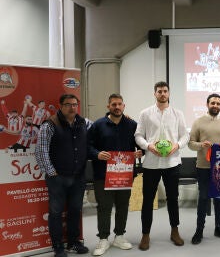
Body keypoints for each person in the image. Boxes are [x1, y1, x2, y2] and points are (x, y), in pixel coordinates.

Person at [134, 81, 189, 250]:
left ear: (169, 93)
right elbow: (138, 136)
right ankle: (145, 235)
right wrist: (149, 146)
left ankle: (175, 231)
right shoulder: (145, 113)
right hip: (151, 163)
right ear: (155, 94)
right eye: (159, 91)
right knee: (148, 200)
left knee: (173, 199)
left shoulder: (177, 113)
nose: (163, 94)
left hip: (172, 163)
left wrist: (177, 146)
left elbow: (185, 135)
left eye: (165, 91)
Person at [87, 94, 143, 256]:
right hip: (103, 175)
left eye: (119, 104)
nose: (117, 107)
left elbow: (141, 143)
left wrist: (140, 152)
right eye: (113, 104)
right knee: (104, 207)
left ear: (124, 106)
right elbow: (87, 146)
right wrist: (97, 154)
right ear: (108, 107)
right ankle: (103, 239)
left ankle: (119, 236)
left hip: (125, 175)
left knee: (122, 206)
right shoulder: (98, 125)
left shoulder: (132, 125)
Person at [34, 94, 89, 257]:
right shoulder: (50, 124)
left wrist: (119, 116)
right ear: (60, 106)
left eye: (75, 104)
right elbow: (41, 151)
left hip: (78, 177)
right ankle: (58, 246)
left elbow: (99, 126)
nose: (72, 107)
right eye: (68, 104)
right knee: (56, 212)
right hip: (57, 178)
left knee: (75, 210)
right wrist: (52, 173)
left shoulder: (83, 123)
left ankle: (73, 242)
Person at [188, 93, 220, 244]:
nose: (215, 105)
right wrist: (201, 145)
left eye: (218, 103)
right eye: (212, 103)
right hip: (203, 167)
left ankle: (218, 227)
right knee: (203, 198)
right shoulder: (198, 122)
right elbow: (190, 143)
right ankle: (199, 230)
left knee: (219, 199)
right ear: (207, 105)